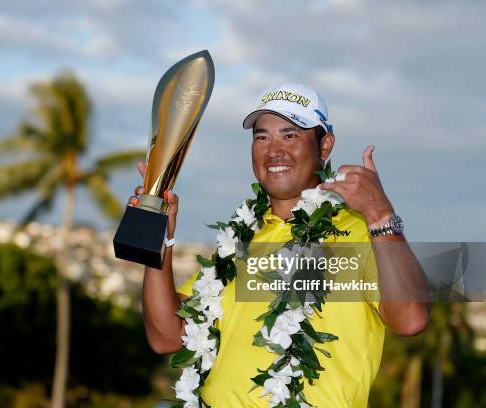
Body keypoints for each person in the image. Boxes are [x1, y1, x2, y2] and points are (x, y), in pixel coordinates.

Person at [129, 83, 430, 407]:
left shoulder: (358, 231)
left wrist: (380, 214)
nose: (274, 150)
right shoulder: (237, 241)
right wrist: (158, 239)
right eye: (262, 136)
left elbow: (410, 319)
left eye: (290, 135)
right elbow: (166, 337)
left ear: (325, 145)